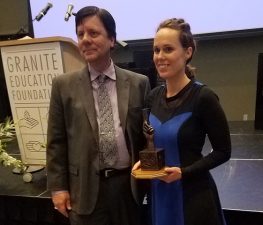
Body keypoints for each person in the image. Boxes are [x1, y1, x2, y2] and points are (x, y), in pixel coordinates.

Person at [46, 6, 150, 225]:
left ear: (112, 39)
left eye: (93, 33)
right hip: (83, 189)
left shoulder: (139, 83)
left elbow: (146, 136)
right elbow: (56, 143)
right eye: (81, 34)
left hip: (127, 188)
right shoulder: (63, 86)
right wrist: (58, 188)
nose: (85, 39)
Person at [133, 18, 231, 225]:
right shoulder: (153, 96)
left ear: (188, 52)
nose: (160, 57)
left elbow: (223, 151)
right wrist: (145, 163)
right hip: (159, 195)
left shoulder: (204, 97)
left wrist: (183, 173)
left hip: (193, 197)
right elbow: (151, 142)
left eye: (168, 49)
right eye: (156, 50)